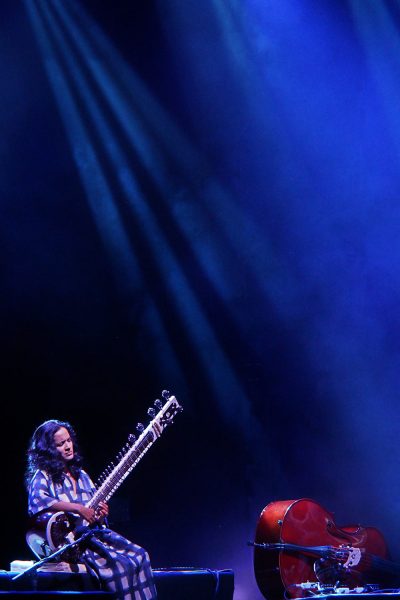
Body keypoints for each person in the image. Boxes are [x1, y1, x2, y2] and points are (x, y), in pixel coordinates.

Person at [25, 418, 158, 600]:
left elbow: (94, 513)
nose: (67, 446)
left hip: (94, 535)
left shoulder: (82, 476)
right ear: (48, 450)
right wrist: (78, 508)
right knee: (121, 567)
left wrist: (101, 514)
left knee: (141, 555)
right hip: (73, 544)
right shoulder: (43, 477)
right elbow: (38, 501)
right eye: (60, 444)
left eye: (69, 441)